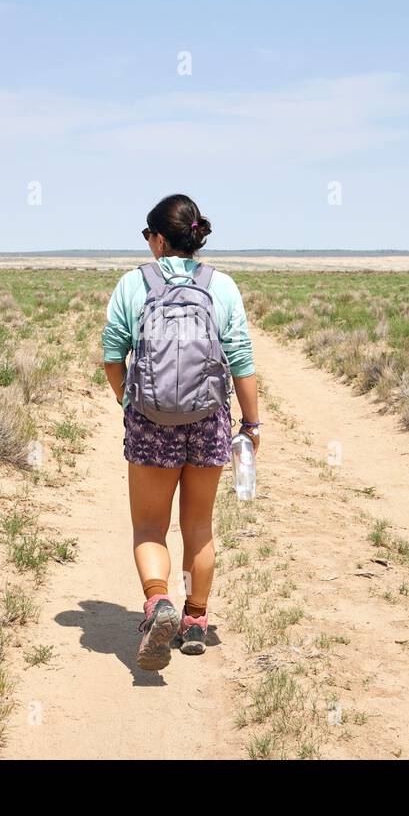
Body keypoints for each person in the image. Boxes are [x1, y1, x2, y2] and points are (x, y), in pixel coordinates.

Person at [101, 194, 261, 670]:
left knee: (150, 526)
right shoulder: (222, 286)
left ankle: (157, 605)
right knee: (198, 526)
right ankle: (194, 620)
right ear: (194, 238)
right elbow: (241, 363)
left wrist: (130, 402)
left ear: (157, 238)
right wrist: (251, 424)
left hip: (151, 422)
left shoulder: (133, 285)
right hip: (208, 419)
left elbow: (113, 357)